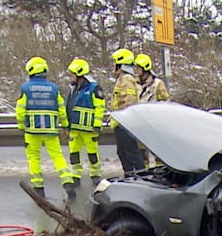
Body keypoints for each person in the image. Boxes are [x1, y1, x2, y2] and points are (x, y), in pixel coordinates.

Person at [15, 56, 76, 199]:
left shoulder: (25, 88)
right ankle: (67, 182)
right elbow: (61, 108)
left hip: (32, 131)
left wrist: (22, 125)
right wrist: (65, 125)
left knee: (34, 158)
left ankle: (39, 189)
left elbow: (20, 110)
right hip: (51, 130)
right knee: (58, 156)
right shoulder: (54, 88)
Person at [65, 58, 106, 186]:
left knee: (92, 153)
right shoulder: (73, 88)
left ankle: (95, 174)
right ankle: (75, 175)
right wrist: (66, 126)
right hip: (75, 128)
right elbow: (69, 107)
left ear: (79, 74)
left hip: (89, 129)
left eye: (72, 74)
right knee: (74, 153)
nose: (70, 76)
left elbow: (100, 107)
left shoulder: (94, 88)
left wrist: (97, 125)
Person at [109, 47, 144, 175]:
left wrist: (124, 118)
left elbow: (130, 101)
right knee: (123, 152)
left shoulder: (126, 79)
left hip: (124, 123)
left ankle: (140, 176)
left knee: (131, 153)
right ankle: (130, 176)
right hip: (120, 122)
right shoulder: (122, 78)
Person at [134, 53, 169, 166]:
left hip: (154, 123)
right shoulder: (134, 83)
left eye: (138, 67)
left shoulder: (157, 84)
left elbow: (165, 103)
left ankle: (160, 171)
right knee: (141, 154)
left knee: (158, 153)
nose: (136, 69)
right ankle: (145, 172)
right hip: (139, 122)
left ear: (145, 68)